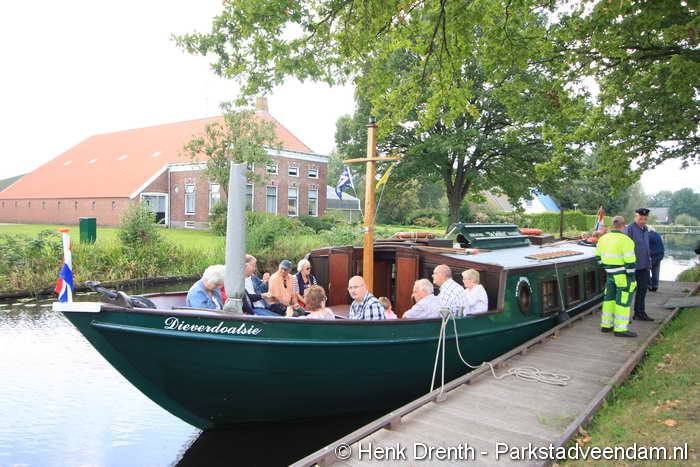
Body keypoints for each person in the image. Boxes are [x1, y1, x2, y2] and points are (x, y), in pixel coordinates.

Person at [597, 216, 639, 337]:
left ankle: (606, 325)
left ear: (612, 225)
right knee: (623, 301)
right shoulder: (626, 240)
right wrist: (631, 276)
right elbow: (630, 262)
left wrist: (607, 268)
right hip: (623, 276)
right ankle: (620, 329)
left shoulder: (603, 238)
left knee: (609, 299)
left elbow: (598, 257)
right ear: (624, 226)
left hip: (609, 274)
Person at [624, 208, 654, 322]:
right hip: (632, 266)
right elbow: (626, 248)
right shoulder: (629, 229)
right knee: (627, 292)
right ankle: (623, 316)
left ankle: (639, 313)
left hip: (644, 265)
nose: (642, 221)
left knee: (642, 290)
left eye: (645, 219)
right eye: (640, 219)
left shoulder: (645, 229)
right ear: (635, 217)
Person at [648, 228, 664, 292]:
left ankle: (649, 285)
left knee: (646, 271)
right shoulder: (658, 235)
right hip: (659, 255)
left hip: (651, 256)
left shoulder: (647, 235)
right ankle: (655, 286)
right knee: (656, 271)